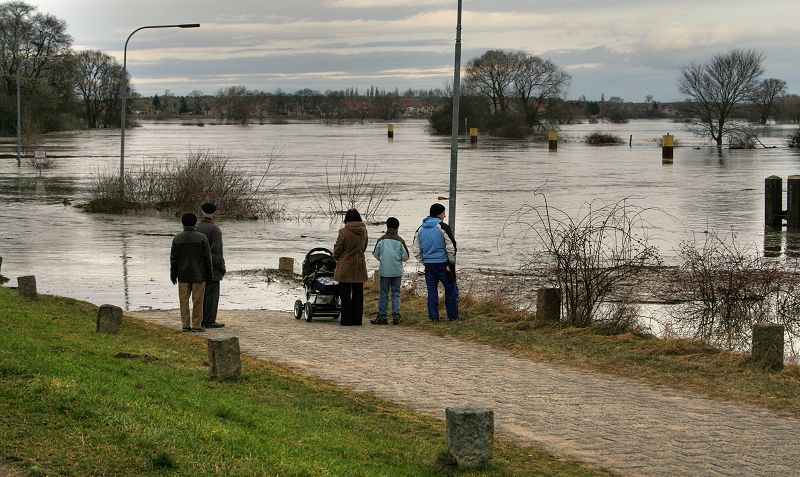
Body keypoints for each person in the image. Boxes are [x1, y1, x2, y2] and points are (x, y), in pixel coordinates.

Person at [413, 203, 459, 322]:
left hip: (429, 265)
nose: (445, 215)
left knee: (432, 290)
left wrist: (424, 261)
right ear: (439, 214)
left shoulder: (420, 229)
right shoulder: (443, 227)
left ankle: (434, 317)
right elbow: (451, 246)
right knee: (450, 288)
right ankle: (452, 316)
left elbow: (416, 249)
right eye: (444, 213)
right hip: (444, 264)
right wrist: (451, 262)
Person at [170, 212, 213, 332]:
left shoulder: (177, 238)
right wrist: (210, 274)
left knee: (183, 301)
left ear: (182, 223)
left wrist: (173, 274)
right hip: (199, 275)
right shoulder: (202, 238)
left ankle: (185, 325)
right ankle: (196, 325)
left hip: (182, 275)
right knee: (198, 301)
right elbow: (207, 258)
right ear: (195, 223)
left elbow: (173, 259)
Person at [371, 217, 409, 325]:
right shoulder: (400, 240)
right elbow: (406, 256)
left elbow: (375, 254)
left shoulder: (381, 240)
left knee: (384, 293)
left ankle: (382, 316)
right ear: (397, 227)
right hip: (397, 270)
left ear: (387, 226)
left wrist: (382, 259)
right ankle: (396, 316)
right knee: (396, 293)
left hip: (384, 270)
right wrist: (399, 260)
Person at [333, 208, 368, 326]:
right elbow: (364, 246)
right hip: (360, 266)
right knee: (358, 295)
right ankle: (357, 320)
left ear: (346, 219)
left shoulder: (343, 232)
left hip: (345, 266)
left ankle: (346, 320)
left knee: (345, 295)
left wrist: (336, 258)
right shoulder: (364, 231)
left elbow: (338, 249)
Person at [196, 202, 226, 328]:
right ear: (214, 213)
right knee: (212, 295)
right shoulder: (215, 230)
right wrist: (222, 268)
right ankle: (209, 320)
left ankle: (199, 319)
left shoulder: (196, 227)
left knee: (199, 295)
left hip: (197, 267)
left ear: (201, 211)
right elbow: (217, 252)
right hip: (212, 268)